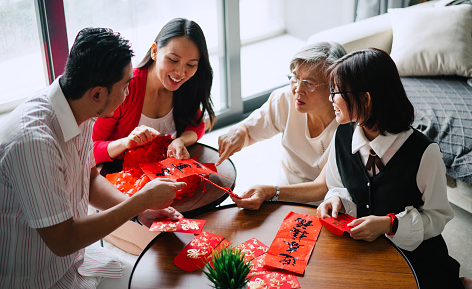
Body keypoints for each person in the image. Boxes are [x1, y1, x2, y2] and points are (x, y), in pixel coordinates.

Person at [0, 28, 187, 288]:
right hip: (34, 279)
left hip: (75, 263)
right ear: (98, 93)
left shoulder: (79, 106)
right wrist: (139, 201)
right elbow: (63, 240)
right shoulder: (33, 142)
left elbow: (88, 179)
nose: (127, 95)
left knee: (155, 280)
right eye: (125, 87)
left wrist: (141, 209)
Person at [316, 48, 472, 289]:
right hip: (361, 243)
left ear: (366, 99)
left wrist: (390, 224)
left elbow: (438, 216)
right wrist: (336, 199)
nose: (331, 99)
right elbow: (338, 185)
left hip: (415, 253)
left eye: (336, 92)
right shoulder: (342, 135)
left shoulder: (424, 153)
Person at [217, 42, 347, 205]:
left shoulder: (347, 122)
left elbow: (322, 186)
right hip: (283, 195)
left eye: (309, 83)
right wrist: (238, 132)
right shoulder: (286, 99)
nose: (297, 90)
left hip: (325, 205)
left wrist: (270, 192)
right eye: (295, 78)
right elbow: (249, 131)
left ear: (333, 87)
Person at [93, 18, 215, 164]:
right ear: (155, 51)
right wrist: (125, 143)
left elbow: (197, 124)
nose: (181, 73)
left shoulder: (185, 86)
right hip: (122, 178)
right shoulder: (126, 87)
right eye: (173, 60)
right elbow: (91, 149)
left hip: (160, 175)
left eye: (191, 64)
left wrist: (180, 141)